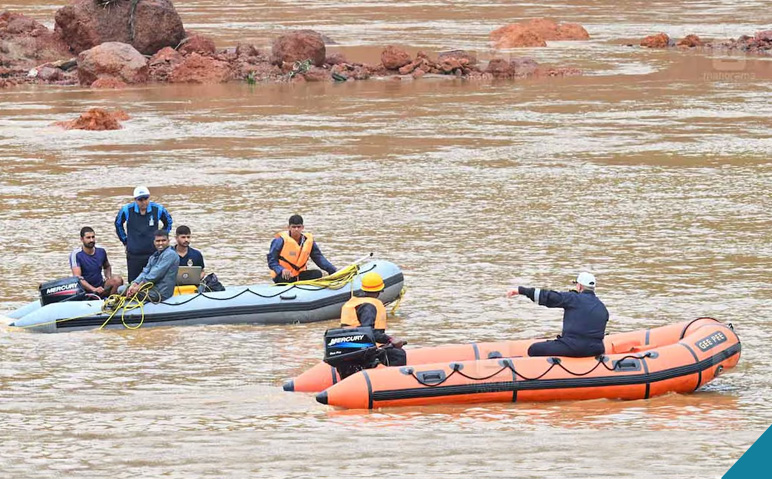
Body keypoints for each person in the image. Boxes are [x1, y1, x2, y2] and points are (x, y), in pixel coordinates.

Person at [507, 272, 609, 358]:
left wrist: (522, 291)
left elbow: (550, 297)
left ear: (580, 286)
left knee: (534, 349)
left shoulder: (573, 298)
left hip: (573, 347)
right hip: (596, 350)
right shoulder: (602, 308)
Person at [339, 271, 407, 367]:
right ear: (379, 291)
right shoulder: (369, 306)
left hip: (351, 348)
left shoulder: (355, 302)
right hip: (363, 350)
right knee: (398, 354)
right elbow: (368, 332)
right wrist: (391, 339)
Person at [114, 185, 173, 283]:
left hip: (153, 253)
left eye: (146, 199)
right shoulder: (126, 210)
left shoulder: (158, 209)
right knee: (134, 282)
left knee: (153, 281)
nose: (143, 202)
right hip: (134, 254)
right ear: (135, 200)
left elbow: (169, 222)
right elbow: (118, 224)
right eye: (140, 200)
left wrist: (161, 239)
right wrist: (125, 240)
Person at [267, 214, 336, 283]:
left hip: (299, 275)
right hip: (283, 276)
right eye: (293, 227)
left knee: (317, 274)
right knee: (284, 278)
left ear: (302, 227)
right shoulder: (279, 241)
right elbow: (271, 261)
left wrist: (333, 270)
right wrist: (281, 270)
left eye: (298, 227)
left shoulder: (308, 241)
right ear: (289, 227)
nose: (296, 229)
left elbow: (319, 258)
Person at [120, 230, 179, 302]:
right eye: (158, 241)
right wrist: (134, 283)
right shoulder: (154, 256)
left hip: (160, 293)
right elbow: (145, 272)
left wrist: (138, 287)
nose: (160, 243)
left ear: (168, 241)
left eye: (163, 240)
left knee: (122, 290)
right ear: (154, 242)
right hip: (150, 289)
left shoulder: (170, 254)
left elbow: (155, 274)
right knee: (124, 288)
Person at [69, 227, 124, 297]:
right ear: (82, 239)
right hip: (84, 290)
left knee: (117, 280)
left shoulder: (101, 251)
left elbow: (107, 266)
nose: (91, 240)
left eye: (93, 237)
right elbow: (78, 277)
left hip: (100, 286)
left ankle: (111, 301)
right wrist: (94, 289)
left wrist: (108, 277)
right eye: (88, 238)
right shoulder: (76, 254)